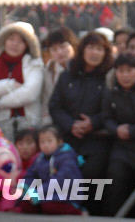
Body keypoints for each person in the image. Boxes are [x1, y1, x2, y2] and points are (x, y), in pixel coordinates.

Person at [49, 31, 112, 215]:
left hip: (98, 139)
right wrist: (70, 125)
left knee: (92, 177)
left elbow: (113, 109)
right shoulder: (67, 76)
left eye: (99, 49)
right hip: (69, 138)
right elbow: (55, 106)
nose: (94, 53)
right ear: (82, 50)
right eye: (91, 47)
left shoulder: (109, 77)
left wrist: (94, 122)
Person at [0, 21, 44, 141]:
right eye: (11, 39)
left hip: (29, 122)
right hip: (2, 122)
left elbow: (30, 93)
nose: (15, 44)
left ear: (27, 44)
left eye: (20, 41)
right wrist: (10, 85)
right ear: (4, 40)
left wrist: (1, 102)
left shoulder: (33, 63)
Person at [102, 54, 135, 217]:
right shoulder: (111, 93)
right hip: (121, 148)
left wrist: (131, 131)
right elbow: (106, 117)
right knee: (115, 177)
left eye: (129, 71)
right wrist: (116, 129)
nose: (125, 75)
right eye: (121, 71)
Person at [21, 125, 83, 215]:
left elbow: (60, 180)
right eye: (42, 142)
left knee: (50, 206)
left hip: (66, 196)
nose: (46, 145)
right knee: (25, 204)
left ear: (59, 142)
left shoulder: (67, 158)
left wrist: (38, 192)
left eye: (49, 141)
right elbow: (31, 174)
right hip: (45, 193)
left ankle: (78, 212)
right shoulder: (39, 158)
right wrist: (25, 187)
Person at [41, 27, 77, 125]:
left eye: (63, 46)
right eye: (54, 49)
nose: (59, 52)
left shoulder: (84, 68)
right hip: (56, 124)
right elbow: (46, 101)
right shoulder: (49, 71)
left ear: (73, 45)